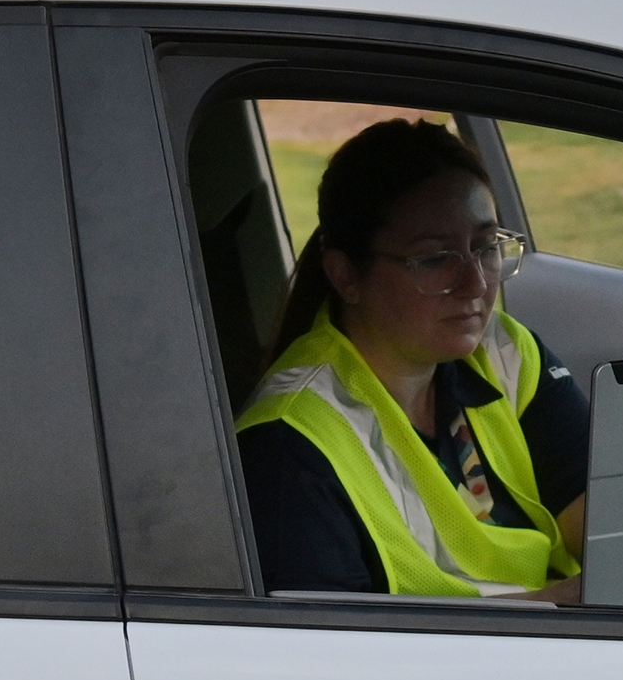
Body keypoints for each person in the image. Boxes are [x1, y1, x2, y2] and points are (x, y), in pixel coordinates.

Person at [238, 119, 588, 598]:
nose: (477, 285)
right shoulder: (289, 445)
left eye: (485, 248)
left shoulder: (506, 353)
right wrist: (579, 601)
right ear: (345, 276)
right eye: (434, 259)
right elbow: (334, 653)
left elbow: (609, 532)